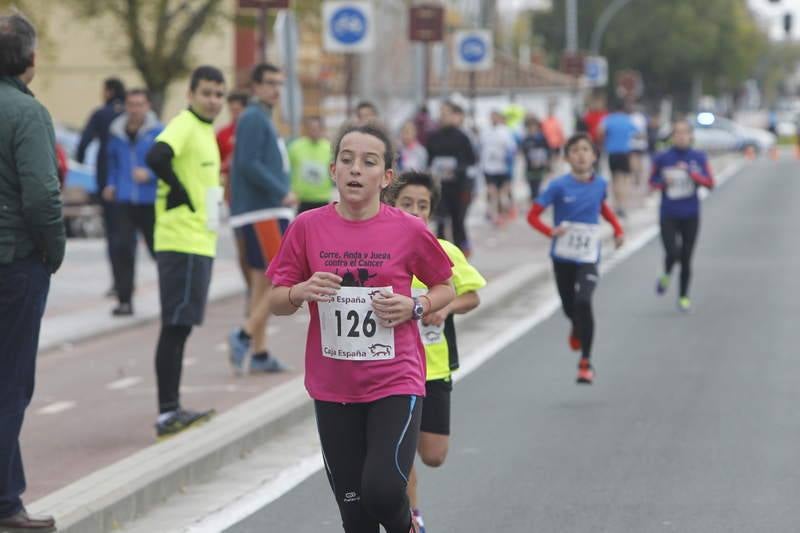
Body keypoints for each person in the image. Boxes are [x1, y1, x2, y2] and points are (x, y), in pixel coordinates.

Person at [267, 123, 455, 533]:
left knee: (384, 491)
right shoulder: (306, 227)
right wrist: (300, 291)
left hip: (395, 379)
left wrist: (415, 305)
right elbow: (275, 300)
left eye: (368, 162)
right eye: (347, 160)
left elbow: (445, 286)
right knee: (356, 519)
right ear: (333, 170)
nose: (356, 169)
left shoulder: (408, 229)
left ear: (386, 177)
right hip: (333, 386)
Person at [384, 171, 486, 533]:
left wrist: (444, 307)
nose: (414, 211)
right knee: (401, 450)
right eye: (406, 203)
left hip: (435, 366)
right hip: (394, 370)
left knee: (433, 454)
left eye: (422, 205)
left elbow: (472, 295)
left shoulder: (444, 251)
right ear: (391, 205)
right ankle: (413, 517)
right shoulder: (382, 253)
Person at [0, 13, 64, 532]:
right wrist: (55, 250)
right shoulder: (26, 112)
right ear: (31, 60)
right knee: (10, 383)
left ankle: (8, 496)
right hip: (14, 262)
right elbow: (43, 196)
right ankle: (3, 504)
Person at [144, 65, 226, 438]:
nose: (213, 100)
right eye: (207, 92)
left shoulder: (205, 131)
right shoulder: (185, 124)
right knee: (175, 326)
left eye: (219, 94)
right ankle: (167, 412)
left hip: (198, 241)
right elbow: (157, 155)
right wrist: (177, 190)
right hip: (182, 241)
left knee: (181, 327)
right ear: (190, 94)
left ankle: (172, 407)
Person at [527, 133, 624, 385]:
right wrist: (551, 231)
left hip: (588, 255)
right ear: (567, 157)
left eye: (586, 150)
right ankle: (575, 324)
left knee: (584, 300)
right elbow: (533, 216)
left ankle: (585, 362)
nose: (581, 155)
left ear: (594, 156)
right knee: (570, 306)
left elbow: (601, 207)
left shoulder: (601, 184)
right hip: (563, 256)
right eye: (575, 150)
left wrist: (618, 228)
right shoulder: (558, 186)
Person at [227, 63, 294, 375]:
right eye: (268, 82)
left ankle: (260, 353)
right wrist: (281, 191)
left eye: (278, 82)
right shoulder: (254, 117)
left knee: (260, 282)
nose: (275, 89)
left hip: (262, 211)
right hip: (263, 211)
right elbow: (249, 164)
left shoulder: (261, 117)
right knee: (279, 278)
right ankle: (245, 333)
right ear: (254, 86)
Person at [103, 88, 163, 316]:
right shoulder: (116, 132)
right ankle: (125, 300)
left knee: (159, 251)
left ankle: (170, 296)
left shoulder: (158, 132)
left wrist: (149, 174)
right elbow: (112, 162)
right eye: (131, 104)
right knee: (122, 249)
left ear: (148, 106)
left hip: (150, 200)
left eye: (140, 104)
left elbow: (169, 164)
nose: (135, 109)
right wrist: (110, 183)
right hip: (125, 198)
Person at [650, 119, 714, 312]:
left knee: (686, 257)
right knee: (672, 252)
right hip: (668, 213)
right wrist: (663, 181)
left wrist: (693, 175)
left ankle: (683, 296)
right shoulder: (663, 158)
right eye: (677, 133)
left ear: (691, 136)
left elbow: (710, 183)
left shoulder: (698, 157)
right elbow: (652, 182)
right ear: (672, 136)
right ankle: (666, 273)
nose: (681, 136)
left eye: (684, 132)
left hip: (691, 213)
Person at [76, 76, 126, 296]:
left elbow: (83, 143)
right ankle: (128, 282)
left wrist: (80, 160)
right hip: (131, 184)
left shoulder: (101, 114)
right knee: (129, 234)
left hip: (107, 181)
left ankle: (119, 282)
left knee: (114, 234)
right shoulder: (130, 115)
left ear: (108, 91)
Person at [425, 98, 476, 256]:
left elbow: (472, 160)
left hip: (459, 185)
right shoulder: (433, 137)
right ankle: (439, 253)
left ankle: (461, 254)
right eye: (441, 113)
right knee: (440, 219)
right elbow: (428, 159)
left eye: (446, 113)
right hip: (440, 186)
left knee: (457, 220)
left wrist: (456, 168)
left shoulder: (462, 137)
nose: (443, 117)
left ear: (454, 115)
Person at [217, 91, 252, 306]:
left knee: (256, 248)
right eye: (233, 109)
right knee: (241, 246)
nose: (236, 113)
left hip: (256, 201)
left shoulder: (254, 131)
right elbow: (216, 164)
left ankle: (259, 285)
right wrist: (228, 164)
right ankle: (250, 285)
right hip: (235, 199)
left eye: (240, 109)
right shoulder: (222, 135)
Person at [598, 100, 638, 217]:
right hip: (624, 152)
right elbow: (638, 133)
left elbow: (599, 131)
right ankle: (622, 205)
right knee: (624, 180)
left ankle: (616, 205)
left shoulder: (608, 119)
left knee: (614, 179)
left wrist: (605, 140)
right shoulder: (627, 120)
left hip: (612, 152)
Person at [480, 110, 518, 224]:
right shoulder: (485, 131)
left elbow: (512, 148)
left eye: (495, 117)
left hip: (503, 168)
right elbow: (480, 147)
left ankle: (503, 213)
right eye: (491, 117)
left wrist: (509, 161)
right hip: (488, 168)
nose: (493, 119)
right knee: (492, 193)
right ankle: (494, 215)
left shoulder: (505, 131)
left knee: (502, 194)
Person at [289, 116, 333, 213]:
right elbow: (287, 170)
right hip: (302, 199)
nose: (314, 131)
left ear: (322, 129)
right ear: (306, 129)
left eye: (317, 129)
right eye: (312, 128)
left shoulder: (329, 148)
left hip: (322, 198)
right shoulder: (295, 147)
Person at [519, 115, 551, 202]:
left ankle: (538, 202)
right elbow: (523, 152)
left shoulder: (542, 138)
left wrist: (546, 162)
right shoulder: (526, 139)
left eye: (533, 126)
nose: (532, 128)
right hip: (530, 167)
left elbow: (548, 151)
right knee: (532, 186)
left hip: (540, 166)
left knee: (538, 185)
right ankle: (534, 201)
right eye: (529, 126)